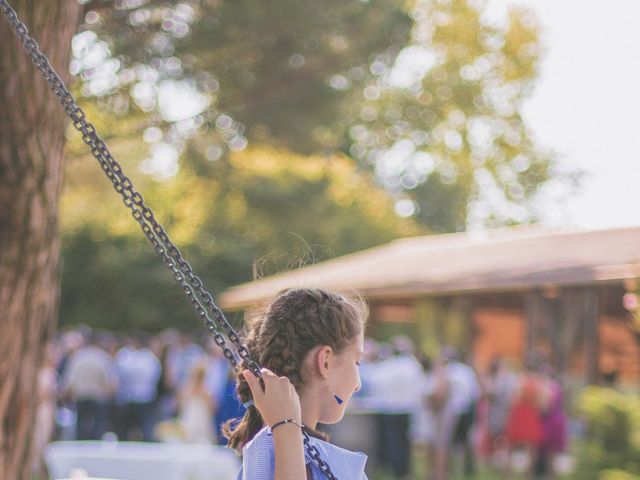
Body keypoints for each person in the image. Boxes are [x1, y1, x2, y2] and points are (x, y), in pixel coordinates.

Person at [223, 288, 368, 480]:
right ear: (325, 361)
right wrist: (286, 428)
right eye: (356, 362)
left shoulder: (271, 445)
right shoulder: (281, 446)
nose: (357, 384)